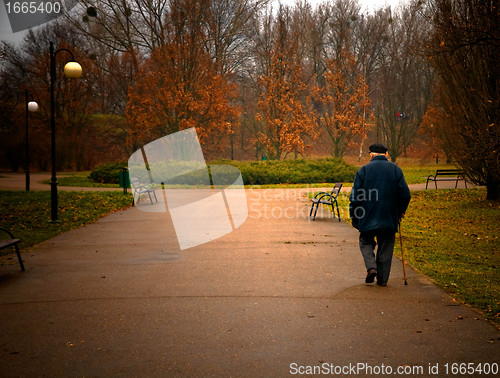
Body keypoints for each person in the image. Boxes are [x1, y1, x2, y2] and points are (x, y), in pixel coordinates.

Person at [349, 143, 411, 286]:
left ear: (371, 154)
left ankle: (371, 267)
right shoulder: (396, 170)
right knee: (386, 246)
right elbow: (405, 195)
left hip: (367, 215)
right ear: (386, 154)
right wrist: (400, 211)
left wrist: (354, 216)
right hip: (389, 215)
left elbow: (355, 198)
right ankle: (382, 280)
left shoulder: (363, 170)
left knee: (365, 241)